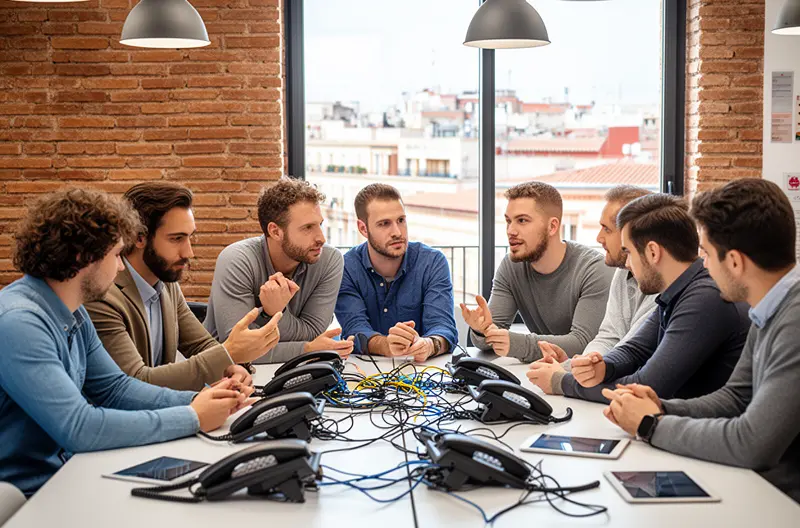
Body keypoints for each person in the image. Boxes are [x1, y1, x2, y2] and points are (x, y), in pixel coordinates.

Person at [0, 189, 249, 496]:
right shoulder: (20, 323)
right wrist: (192, 416)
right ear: (83, 257)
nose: (121, 267)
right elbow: (80, 427)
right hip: (26, 496)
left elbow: (116, 389)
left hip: (66, 475)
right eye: (117, 254)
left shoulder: (73, 312)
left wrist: (207, 399)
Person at [602, 179, 800, 504]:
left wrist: (651, 424)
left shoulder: (793, 319)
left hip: (781, 502)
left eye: (706, 254)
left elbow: (751, 443)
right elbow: (736, 397)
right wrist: (663, 406)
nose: (703, 265)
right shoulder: (769, 307)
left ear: (734, 262)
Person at [528, 193, 750, 402]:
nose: (626, 264)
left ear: (653, 252)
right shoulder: (680, 289)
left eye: (629, 252)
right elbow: (635, 350)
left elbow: (649, 386)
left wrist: (561, 382)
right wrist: (600, 365)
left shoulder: (704, 299)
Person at [86, 182, 281, 391]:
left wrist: (232, 369)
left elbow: (200, 345)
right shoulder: (102, 296)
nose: (189, 253)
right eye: (176, 239)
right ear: (138, 237)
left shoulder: (165, 284)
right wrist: (228, 353)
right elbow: (135, 382)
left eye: (189, 237)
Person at [460, 181, 614, 361]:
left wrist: (516, 343)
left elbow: (582, 343)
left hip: (589, 378)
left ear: (552, 227)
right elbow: (491, 337)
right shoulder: (511, 266)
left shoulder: (594, 270)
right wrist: (481, 330)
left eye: (522, 221)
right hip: (543, 373)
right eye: (508, 221)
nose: (511, 231)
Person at [204, 177, 352, 363]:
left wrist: (274, 312)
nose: (321, 238)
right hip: (226, 378)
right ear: (275, 232)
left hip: (291, 372)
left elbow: (313, 331)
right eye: (307, 228)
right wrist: (306, 349)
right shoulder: (237, 260)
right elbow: (237, 350)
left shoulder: (329, 260)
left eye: (320, 224)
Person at [530, 185, 658, 394]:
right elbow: (609, 336)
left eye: (607, 229)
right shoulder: (621, 272)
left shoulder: (662, 286)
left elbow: (631, 353)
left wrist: (568, 374)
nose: (599, 238)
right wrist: (581, 364)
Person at [335, 184, 457, 362]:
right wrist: (387, 345)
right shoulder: (347, 268)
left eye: (401, 220)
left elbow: (443, 327)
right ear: (363, 228)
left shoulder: (432, 262)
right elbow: (354, 329)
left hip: (422, 371)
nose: (397, 232)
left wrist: (429, 345)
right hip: (365, 375)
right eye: (384, 224)